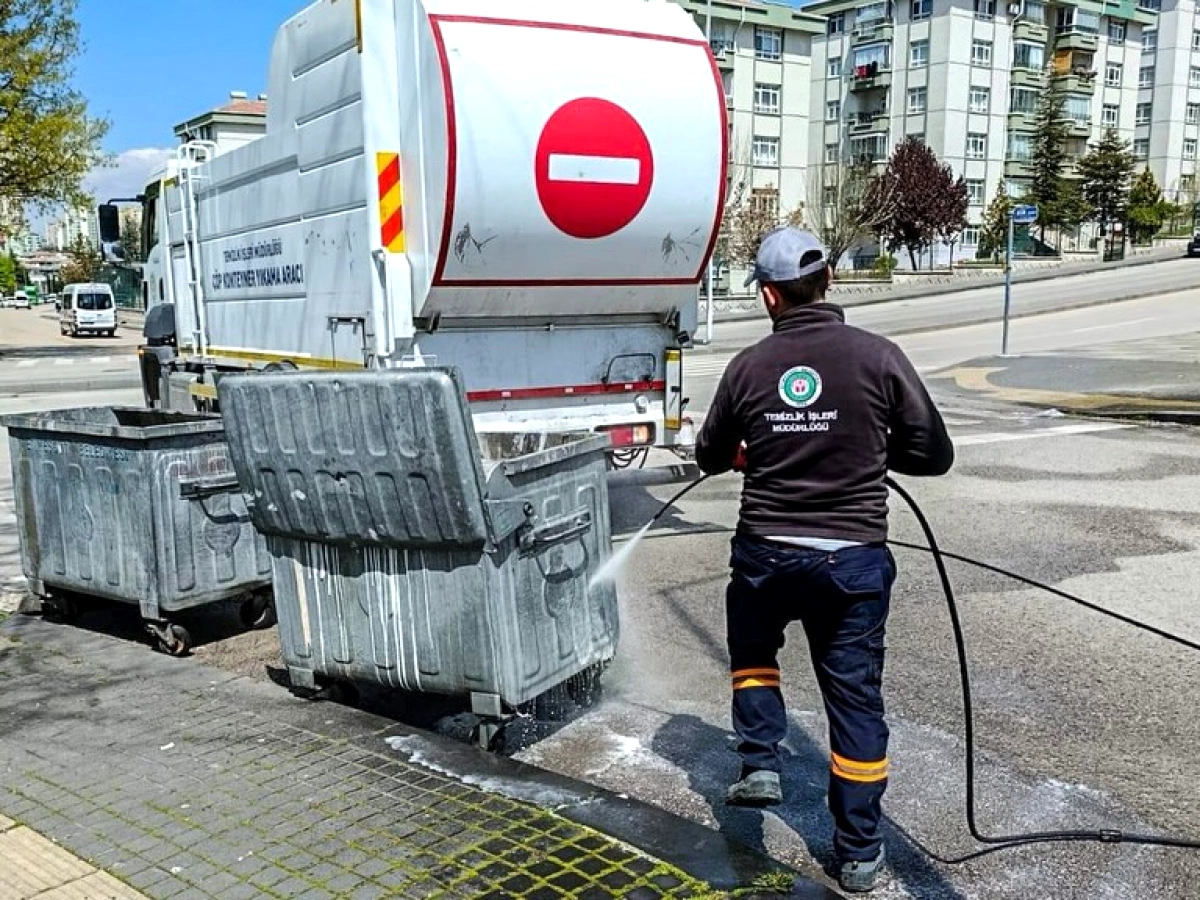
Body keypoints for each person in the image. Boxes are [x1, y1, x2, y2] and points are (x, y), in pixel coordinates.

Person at [694, 226, 955, 894]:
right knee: (855, 702)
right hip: (852, 562)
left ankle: (760, 761)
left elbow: (709, 453)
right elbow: (933, 453)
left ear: (769, 296)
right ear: (829, 282)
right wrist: (866, 448)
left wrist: (753, 449)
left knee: (753, 646)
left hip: (768, 554)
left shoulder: (748, 367)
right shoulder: (879, 356)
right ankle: (861, 852)